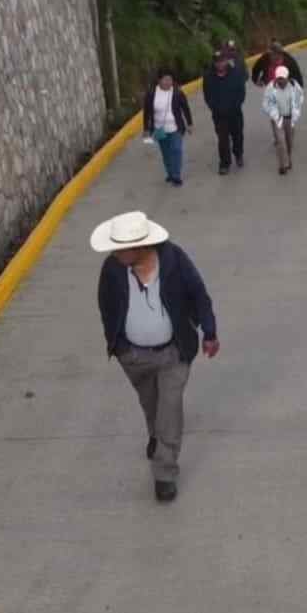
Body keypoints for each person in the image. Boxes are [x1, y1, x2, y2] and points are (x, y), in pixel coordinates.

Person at [92, 211, 220, 503]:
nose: (115, 253)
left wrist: (209, 331)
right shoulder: (112, 269)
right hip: (133, 357)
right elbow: (106, 306)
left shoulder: (174, 261)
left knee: (170, 409)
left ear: (141, 245)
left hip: (174, 353)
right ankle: (155, 434)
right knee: (151, 403)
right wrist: (119, 346)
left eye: (121, 248)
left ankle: (164, 473)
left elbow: (199, 294)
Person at [142, 68, 192, 187]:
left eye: (170, 79)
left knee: (176, 150)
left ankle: (176, 175)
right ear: (159, 80)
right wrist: (146, 129)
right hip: (159, 129)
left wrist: (189, 123)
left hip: (175, 127)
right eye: (165, 79)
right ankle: (170, 173)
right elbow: (147, 112)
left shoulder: (177, 92)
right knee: (166, 153)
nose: (168, 82)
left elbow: (185, 108)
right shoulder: (151, 93)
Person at [202, 49, 247, 175]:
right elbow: (207, 96)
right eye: (217, 62)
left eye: (222, 61)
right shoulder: (208, 77)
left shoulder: (236, 74)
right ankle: (224, 163)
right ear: (214, 63)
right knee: (223, 140)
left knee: (237, 135)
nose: (220, 64)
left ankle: (238, 154)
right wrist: (215, 108)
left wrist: (236, 105)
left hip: (235, 112)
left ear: (226, 61)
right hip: (219, 115)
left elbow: (241, 92)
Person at [262, 66, 303, 175]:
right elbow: (266, 104)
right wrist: (275, 115)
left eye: (283, 78)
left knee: (289, 142)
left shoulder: (294, 86)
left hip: (290, 119)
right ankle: (282, 165)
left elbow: (299, 100)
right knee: (281, 142)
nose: (281, 81)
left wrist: (296, 113)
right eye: (279, 78)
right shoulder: (271, 88)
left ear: (287, 77)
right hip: (278, 119)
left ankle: (288, 158)